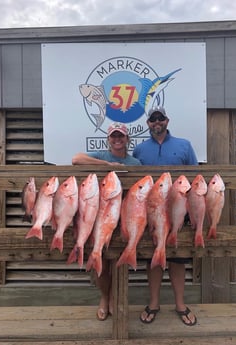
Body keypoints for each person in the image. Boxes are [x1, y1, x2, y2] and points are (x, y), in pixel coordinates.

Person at [133, 105, 198, 326]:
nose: (157, 122)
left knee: (178, 260)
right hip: (151, 214)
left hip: (179, 211)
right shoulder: (139, 150)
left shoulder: (184, 145)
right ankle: (153, 303)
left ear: (167, 121)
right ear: (148, 124)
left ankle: (180, 304)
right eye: (153, 119)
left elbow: (195, 178)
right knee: (153, 260)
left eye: (160, 118)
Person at [72, 122, 141, 321]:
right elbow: (76, 159)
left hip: (125, 219)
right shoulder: (101, 156)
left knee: (119, 263)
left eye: (121, 136)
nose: (117, 140)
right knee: (99, 259)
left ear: (128, 139)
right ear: (108, 139)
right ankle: (105, 297)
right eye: (114, 136)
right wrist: (108, 166)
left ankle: (115, 299)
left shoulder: (135, 163)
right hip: (100, 217)